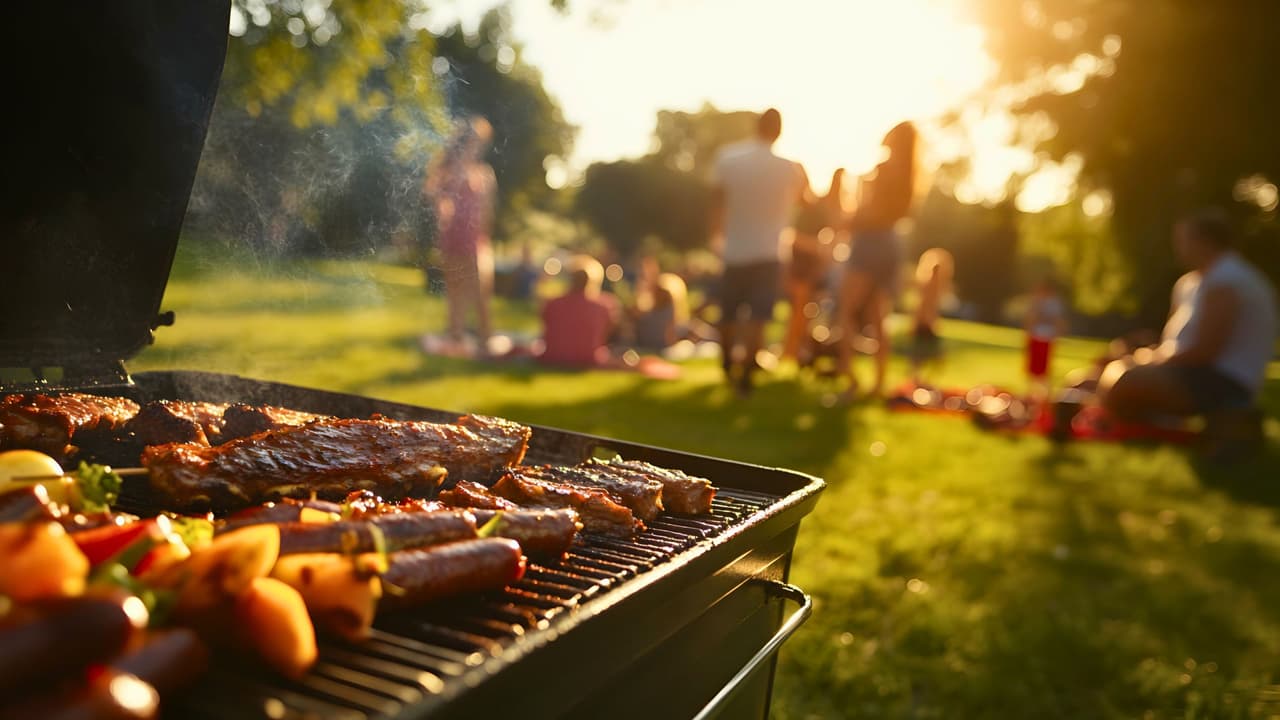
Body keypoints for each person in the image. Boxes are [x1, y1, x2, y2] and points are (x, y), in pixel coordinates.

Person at [1099, 209, 1277, 421]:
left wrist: (1147, 359)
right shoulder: (1190, 283)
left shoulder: (1228, 280)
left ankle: (1124, 420)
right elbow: (1175, 344)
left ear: (1204, 242)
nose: (1178, 248)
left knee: (1124, 377)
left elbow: (1204, 352)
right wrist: (1146, 355)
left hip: (1222, 383)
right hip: (1189, 373)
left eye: (1183, 240)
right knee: (1099, 374)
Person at [710, 108, 810, 396]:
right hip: (769, 251)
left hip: (734, 248)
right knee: (758, 313)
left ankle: (728, 363)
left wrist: (715, 237)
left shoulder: (728, 158)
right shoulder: (788, 168)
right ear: (779, 132)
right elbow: (806, 200)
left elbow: (716, 201)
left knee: (729, 312)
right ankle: (746, 373)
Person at [836, 121, 919, 400]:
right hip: (892, 244)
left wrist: (850, 221)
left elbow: (869, 212)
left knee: (846, 311)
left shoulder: (884, 170)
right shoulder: (910, 175)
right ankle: (878, 383)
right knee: (878, 315)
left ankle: (849, 377)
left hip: (870, 242)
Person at [424, 116, 496, 350]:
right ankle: (461, 334)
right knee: (460, 287)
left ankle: (479, 334)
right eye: (475, 142)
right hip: (458, 236)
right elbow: (435, 198)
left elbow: (486, 209)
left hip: (471, 237)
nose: (477, 148)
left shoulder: (480, 172)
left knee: (475, 288)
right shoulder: (451, 171)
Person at [783, 168, 846, 362]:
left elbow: (831, 237)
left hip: (807, 266)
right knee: (800, 309)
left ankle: (793, 351)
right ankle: (793, 350)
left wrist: (816, 250)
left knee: (802, 309)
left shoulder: (817, 208)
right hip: (800, 264)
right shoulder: (806, 207)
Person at [540, 255, 620, 367]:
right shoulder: (605, 306)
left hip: (553, 355)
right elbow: (608, 333)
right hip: (588, 357)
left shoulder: (552, 304)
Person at [908, 248, 953, 385]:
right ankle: (918, 379)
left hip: (925, 323)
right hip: (925, 324)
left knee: (924, 355)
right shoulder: (931, 285)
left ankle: (921, 379)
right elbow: (925, 305)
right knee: (924, 354)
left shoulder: (932, 285)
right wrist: (929, 322)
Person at [1024, 276, 1068, 400]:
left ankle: (1044, 393)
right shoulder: (1037, 301)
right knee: (1034, 367)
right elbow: (1030, 318)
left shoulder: (1053, 303)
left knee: (1044, 368)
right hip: (1036, 336)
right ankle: (1032, 392)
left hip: (1047, 337)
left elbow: (1057, 320)